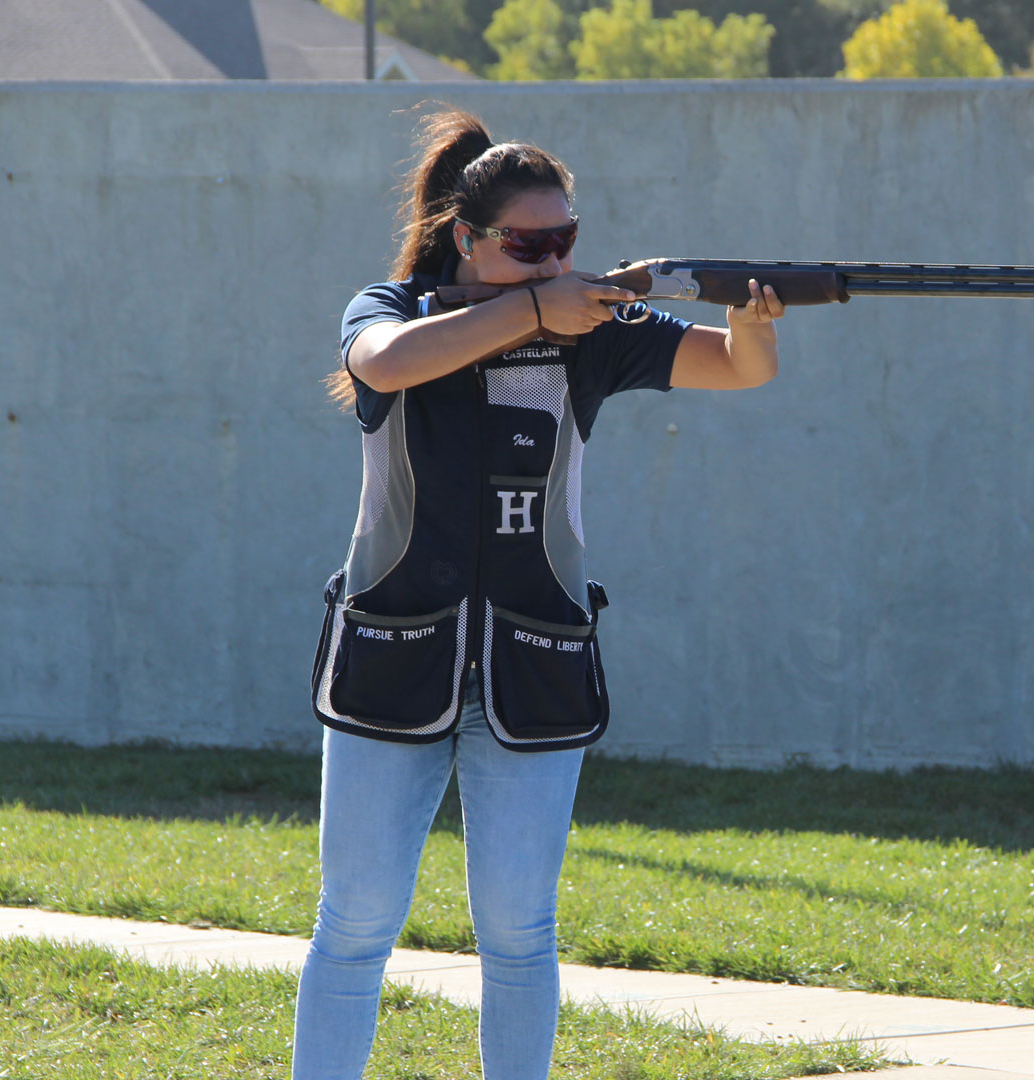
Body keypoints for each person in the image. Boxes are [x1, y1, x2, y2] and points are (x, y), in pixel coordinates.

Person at [294, 107, 784, 1080]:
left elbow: (737, 368)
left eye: (566, 241)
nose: (555, 260)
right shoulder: (391, 307)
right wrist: (530, 313)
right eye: (529, 245)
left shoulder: (595, 331)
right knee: (353, 926)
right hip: (396, 661)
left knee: (521, 932)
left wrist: (752, 318)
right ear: (466, 240)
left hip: (536, 666)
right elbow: (382, 365)